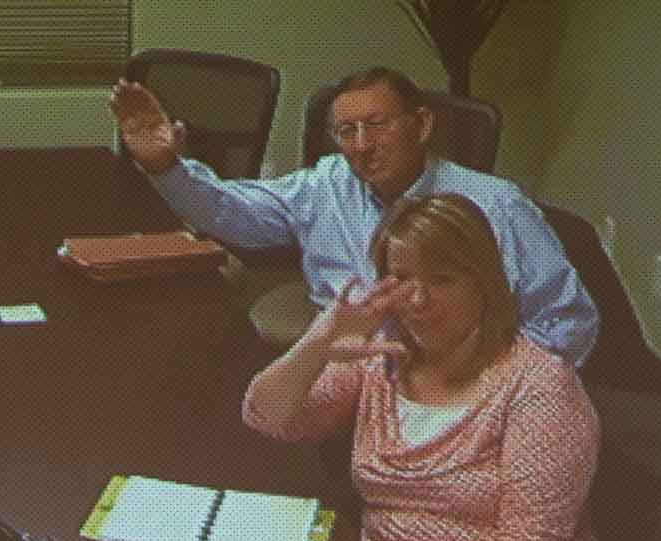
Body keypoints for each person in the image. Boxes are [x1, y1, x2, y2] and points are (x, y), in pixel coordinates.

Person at [243, 192, 614, 541]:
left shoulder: (538, 385)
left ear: (483, 282)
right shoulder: (380, 359)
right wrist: (317, 343)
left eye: (441, 280)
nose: (417, 300)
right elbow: (267, 418)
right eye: (401, 279)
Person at [111, 65, 597, 367]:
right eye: (347, 131)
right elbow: (231, 211)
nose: (362, 146)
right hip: (345, 375)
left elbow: (566, 323)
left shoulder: (493, 205)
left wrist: (486, 390)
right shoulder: (327, 184)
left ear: (421, 124)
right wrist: (165, 166)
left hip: (456, 388)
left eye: (377, 125)